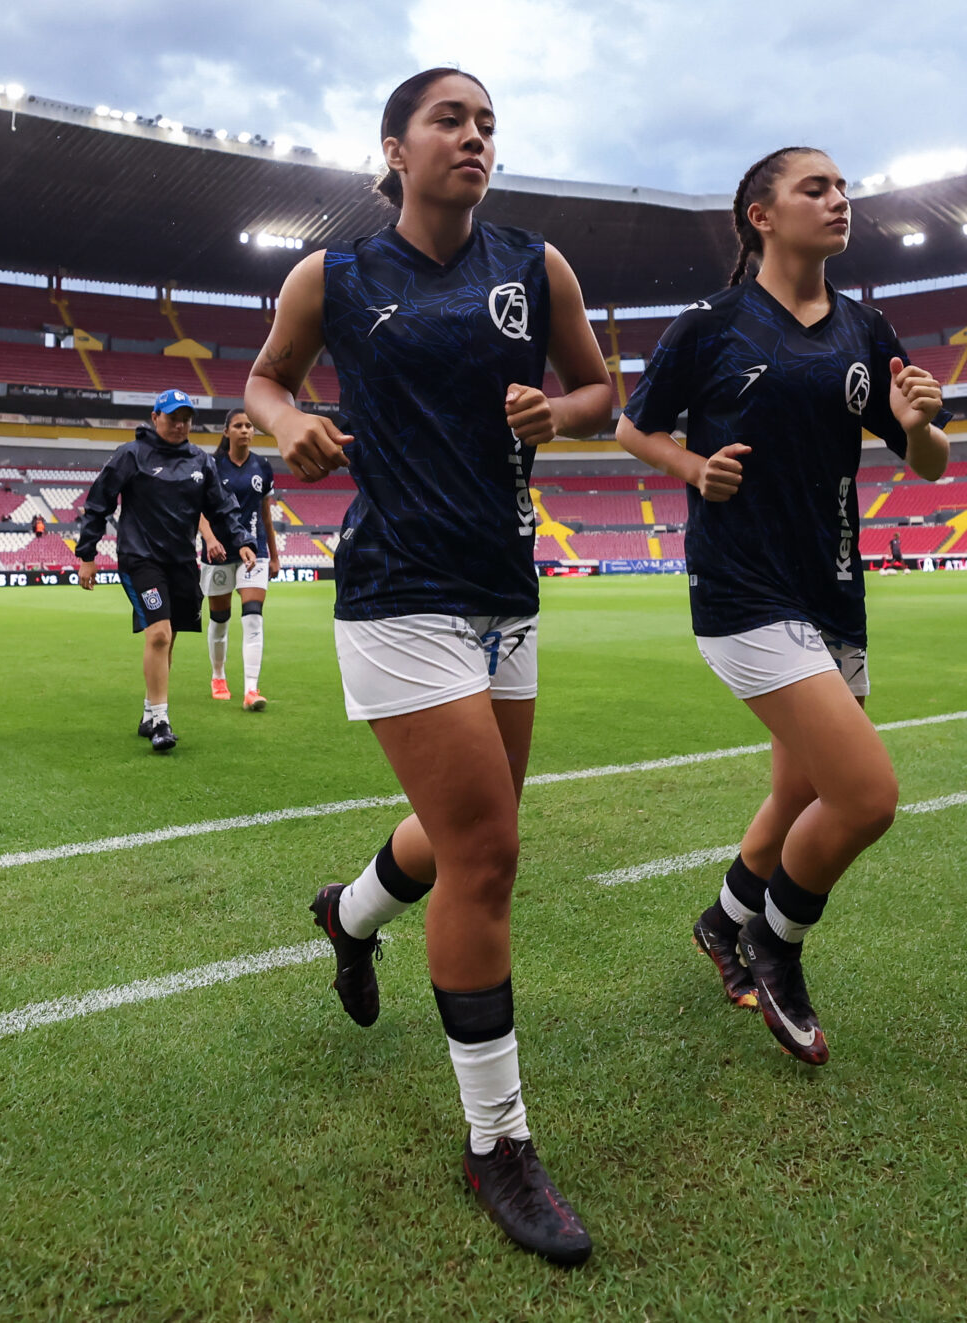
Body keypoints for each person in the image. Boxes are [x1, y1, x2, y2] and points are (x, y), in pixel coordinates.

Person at [246, 67, 613, 1265]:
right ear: (392, 150)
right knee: (488, 853)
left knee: (473, 827)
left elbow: (605, 395)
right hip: (397, 589)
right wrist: (286, 423)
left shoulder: (534, 266)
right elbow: (263, 379)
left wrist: (563, 416)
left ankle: (347, 917)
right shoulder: (336, 276)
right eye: (449, 119)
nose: (475, 137)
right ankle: (495, 1141)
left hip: (508, 591)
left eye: (487, 122)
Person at [616, 146, 950, 1071]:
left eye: (844, 187)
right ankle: (777, 943)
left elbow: (930, 466)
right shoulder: (711, 326)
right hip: (743, 591)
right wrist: (692, 468)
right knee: (866, 795)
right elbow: (630, 421)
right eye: (817, 187)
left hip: (833, 587)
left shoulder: (866, 328)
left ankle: (722, 922)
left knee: (801, 789)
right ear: (761, 215)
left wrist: (920, 422)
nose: (840, 200)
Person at [73, 390, 254, 754]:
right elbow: (98, 503)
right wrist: (87, 554)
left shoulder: (201, 461)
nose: (180, 424)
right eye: (173, 417)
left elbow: (222, 507)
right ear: (155, 417)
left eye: (186, 418)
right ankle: (160, 719)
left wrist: (242, 540)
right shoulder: (132, 455)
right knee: (158, 633)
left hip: (182, 562)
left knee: (168, 637)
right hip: (140, 559)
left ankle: (148, 710)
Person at [199, 407, 279, 710]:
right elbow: (199, 510)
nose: (246, 430)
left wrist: (273, 554)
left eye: (249, 426)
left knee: (254, 618)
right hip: (218, 551)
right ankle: (218, 676)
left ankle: (251, 690)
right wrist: (210, 539)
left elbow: (266, 515)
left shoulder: (263, 466)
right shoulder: (211, 465)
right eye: (239, 425)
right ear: (226, 431)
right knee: (220, 620)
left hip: (254, 552)